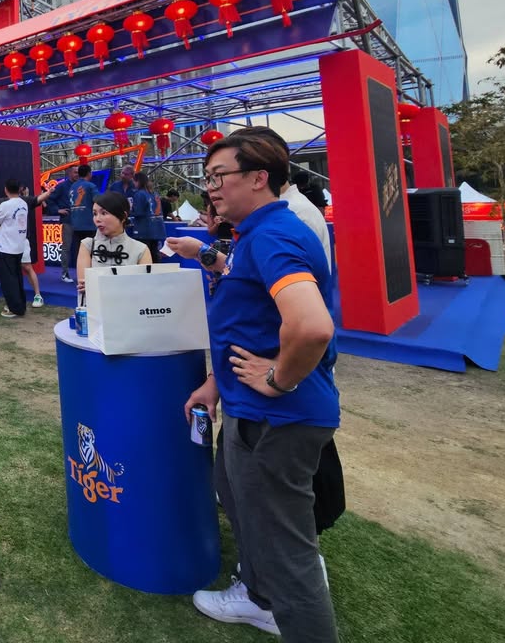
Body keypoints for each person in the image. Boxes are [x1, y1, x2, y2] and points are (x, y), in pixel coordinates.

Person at [164, 128, 340, 641]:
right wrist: (217, 384)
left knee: (288, 555)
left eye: (220, 177)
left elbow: (311, 326)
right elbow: (252, 315)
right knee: (235, 495)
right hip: (252, 411)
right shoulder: (254, 235)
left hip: (277, 420)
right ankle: (259, 597)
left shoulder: (276, 236)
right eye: (207, 177)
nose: (210, 188)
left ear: (260, 178)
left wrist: (277, 379)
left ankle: (280, 604)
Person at [74, 191, 151, 295]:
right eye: (95, 214)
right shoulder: (87, 245)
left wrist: (99, 286)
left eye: (104, 213)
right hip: (93, 309)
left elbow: (145, 289)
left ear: (123, 216)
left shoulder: (141, 249)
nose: (97, 219)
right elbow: (84, 286)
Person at [0, 178, 29, 319]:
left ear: (6, 189)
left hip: (6, 246)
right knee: (17, 277)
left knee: (9, 280)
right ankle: (20, 305)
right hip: (18, 245)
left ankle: (14, 308)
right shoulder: (23, 203)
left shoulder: (6, 205)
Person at [44, 165, 78, 283]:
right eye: (75, 172)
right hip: (68, 220)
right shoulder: (62, 186)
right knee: (66, 248)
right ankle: (65, 273)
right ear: (69, 173)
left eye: (78, 172)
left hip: (81, 221)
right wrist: (57, 210)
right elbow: (49, 199)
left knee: (82, 248)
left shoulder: (81, 186)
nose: (77, 174)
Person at [66, 164, 98, 278]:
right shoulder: (90, 186)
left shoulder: (72, 186)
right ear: (89, 173)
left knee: (79, 252)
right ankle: (91, 276)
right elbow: (99, 201)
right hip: (89, 225)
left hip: (75, 224)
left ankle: (81, 276)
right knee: (92, 252)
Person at [129, 171, 167, 262]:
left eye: (134, 181)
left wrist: (129, 210)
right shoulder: (154, 194)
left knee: (144, 254)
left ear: (137, 181)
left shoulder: (139, 194)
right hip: (156, 229)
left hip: (143, 230)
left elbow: (138, 212)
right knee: (154, 252)